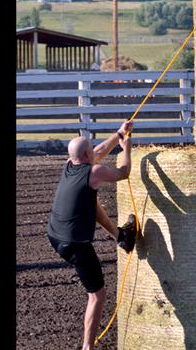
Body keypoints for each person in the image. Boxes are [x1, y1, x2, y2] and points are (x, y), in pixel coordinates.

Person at [47, 120, 137, 350]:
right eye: (91, 150)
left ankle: (120, 236)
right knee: (97, 295)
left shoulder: (70, 164)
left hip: (55, 235)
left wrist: (119, 133)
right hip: (74, 243)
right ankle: (88, 347)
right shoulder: (94, 171)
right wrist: (126, 148)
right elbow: (124, 172)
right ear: (87, 155)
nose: (94, 151)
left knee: (91, 202)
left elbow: (98, 151)